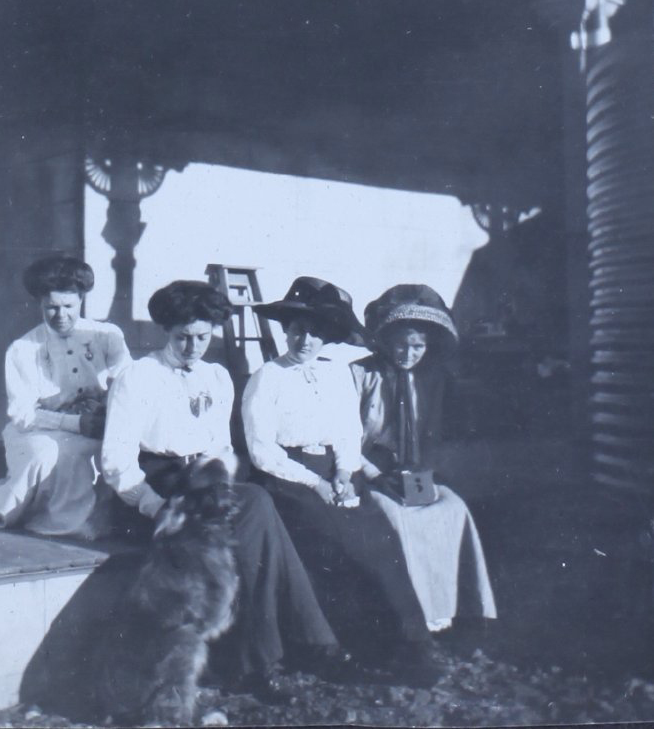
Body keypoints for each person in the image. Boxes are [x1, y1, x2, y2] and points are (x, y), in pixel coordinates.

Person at [100, 280, 358, 702]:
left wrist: (217, 484)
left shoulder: (216, 377)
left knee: (256, 515)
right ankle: (297, 649)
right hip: (156, 487)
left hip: (204, 485)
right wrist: (156, 506)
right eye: (183, 337)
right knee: (257, 508)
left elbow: (221, 447)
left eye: (202, 337)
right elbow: (117, 461)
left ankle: (270, 659)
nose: (193, 347)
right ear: (168, 331)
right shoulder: (139, 377)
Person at [242, 277, 439, 679]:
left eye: (315, 333)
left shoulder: (334, 375)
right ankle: (344, 646)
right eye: (298, 330)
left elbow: (348, 431)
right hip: (288, 480)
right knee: (335, 541)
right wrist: (314, 483)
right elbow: (262, 451)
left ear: (326, 337)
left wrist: (347, 471)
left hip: (338, 472)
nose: (305, 340)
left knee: (381, 540)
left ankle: (411, 646)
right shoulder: (267, 378)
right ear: (286, 331)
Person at [351, 284, 497, 632]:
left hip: (409, 466)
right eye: (401, 344)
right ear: (385, 341)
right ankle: (410, 614)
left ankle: (449, 608)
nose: (408, 353)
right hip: (365, 467)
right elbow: (345, 439)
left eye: (418, 345)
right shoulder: (360, 374)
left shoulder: (430, 379)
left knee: (450, 509)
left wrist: (420, 475)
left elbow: (429, 435)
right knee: (396, 518)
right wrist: (374, 475)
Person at [0, 256, 131, 537]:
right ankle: (56, 519)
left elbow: (126, 380)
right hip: (40, 428)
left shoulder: (107, 335)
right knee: (54, 453)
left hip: (99, 422)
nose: (61, 316)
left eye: (68, 306)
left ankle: (96, 513)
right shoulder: (23, 349)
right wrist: (74, 424)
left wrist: (107, 410)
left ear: (81, 299)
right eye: (51, 308)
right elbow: (22, 414)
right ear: (40, 304)